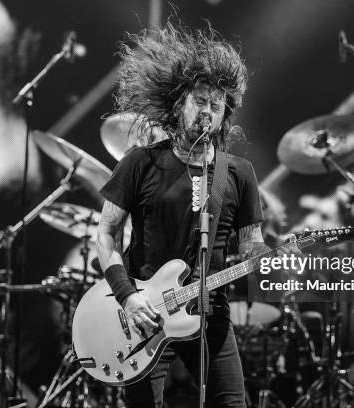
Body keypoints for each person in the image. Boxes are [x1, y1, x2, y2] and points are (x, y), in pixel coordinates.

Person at [97, 22, 269, 408]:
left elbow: (251, 241)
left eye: (217, 104)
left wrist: (264, 254)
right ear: (179, 105)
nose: (208, 110)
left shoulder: (239, 172)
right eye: (200, 100)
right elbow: (106, 233)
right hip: (146, 314)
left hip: (209, 310)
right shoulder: (141, 162)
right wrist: (127, 296)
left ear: (225, 114)